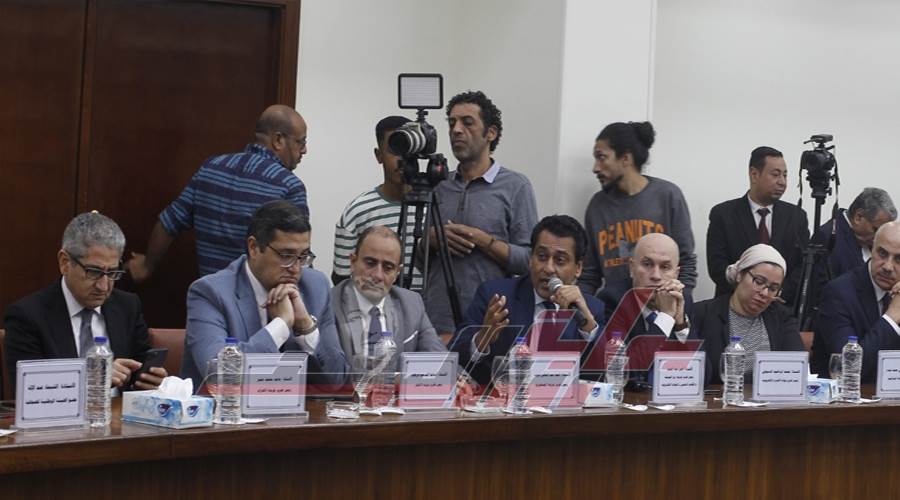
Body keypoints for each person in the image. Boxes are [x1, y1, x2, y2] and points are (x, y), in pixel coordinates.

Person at [127, 104, 309, 281]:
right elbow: (297, 253)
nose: (304, 150)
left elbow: (168, 222)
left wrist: (147, 266)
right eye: (301, 142)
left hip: (209, 294)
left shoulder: (211, 168)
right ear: (278, 140)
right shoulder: (289, 187)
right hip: (260, 298)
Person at [180, 200, 346, 388]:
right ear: (253, 247)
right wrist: (281, 325)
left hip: (297, 407)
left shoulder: (316, 287)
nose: (295, 268)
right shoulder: (210, 293)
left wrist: (306, 328)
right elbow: (220, 375)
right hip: (225, 406)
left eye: (303, 256)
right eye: (286, 256)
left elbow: (337, 381)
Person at [4, 212, 167, 393]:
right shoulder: (27, 316)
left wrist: (148, 379)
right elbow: (31, 389)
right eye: (94, 272)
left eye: (112, 273)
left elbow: (139, 369)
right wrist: (92, 378)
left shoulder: (128, 306)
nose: (103, 286)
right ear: (65, 263)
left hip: (118, 410)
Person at [423, 90, 538, 340]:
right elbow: (417, 261)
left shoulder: (516, 186)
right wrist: (430, 239)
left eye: (467, 122)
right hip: (436, 324)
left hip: (490, 324)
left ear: (491, 133)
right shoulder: (438, 186)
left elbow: (529, 260)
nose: (456, 130)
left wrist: (483, 240)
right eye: (452, 123)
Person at [449, 215, 605, 384]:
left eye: (560, 260)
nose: (548, 268)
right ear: (531, 259)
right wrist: (482, 339)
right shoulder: (496, 296)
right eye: (542, 257)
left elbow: (601, 376)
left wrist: (588, 325)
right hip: (502, 398)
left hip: (563, 400)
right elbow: (455, 357)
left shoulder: (591, 309)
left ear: (578, 268)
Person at [578, 121, 697, 315]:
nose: (595, 168)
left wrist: (678, 307)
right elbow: (590, 273)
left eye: (602, 157)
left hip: (661, 309)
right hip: (614, 311)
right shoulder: (597, 206)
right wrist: (582, 310)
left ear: (625, 158)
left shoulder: (667, 196)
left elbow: (686, 262)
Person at [332, 226, 446, 370]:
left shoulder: (411, 304)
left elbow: (440, 360)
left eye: (388, 267)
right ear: (353, 262)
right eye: (370, 263)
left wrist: (459, 378)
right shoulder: (329, 304)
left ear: (397, 272)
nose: (378, 275)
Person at [706, 146, 809, 305]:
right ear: (754, 174)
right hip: (733, 304)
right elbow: (717, 266)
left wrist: (777, 291)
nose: (782, 182)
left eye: (785, 175)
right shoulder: (724, 214)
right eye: (775, 174)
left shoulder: (796, 216)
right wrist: (749, 291)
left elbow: (803, 265)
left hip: (781, 307)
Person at [691, 244, 804, 385]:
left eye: (773, 288)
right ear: (740, 275)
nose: (764, 293)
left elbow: (796, 368)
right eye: (759, 282)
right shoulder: (702, 313)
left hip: (767, 397)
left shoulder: (781, 317)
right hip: (719, 397)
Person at [332, 116, 422, 288]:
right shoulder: (358, 211)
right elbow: (341, 280)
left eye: (407, 149)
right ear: (379, 155)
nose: (402, 159)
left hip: (424, 305)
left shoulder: (433, 208)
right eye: (394, 149)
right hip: (371, 303)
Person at [811, 222, 900, 382]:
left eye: (899, 260)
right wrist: (892, 316)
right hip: (843, 395)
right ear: (871, 249)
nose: (888, 266)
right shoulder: (838, 293)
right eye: (882, 253)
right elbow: (849, 367)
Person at [611, 233, 696, 385]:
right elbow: (624, 372)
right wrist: (666, 316)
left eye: (665, 267)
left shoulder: (683, 300)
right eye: (647, 264)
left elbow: (702, 375)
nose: (656, 276)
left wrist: (680, 325)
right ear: (632, 268)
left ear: (676, 274)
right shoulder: (614, 300)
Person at [812, 187, 896, 283]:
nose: (879, 236)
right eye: (876, 229)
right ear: (858, 217)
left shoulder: (874, 240)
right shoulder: (827, 237)